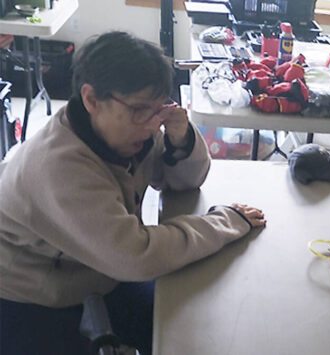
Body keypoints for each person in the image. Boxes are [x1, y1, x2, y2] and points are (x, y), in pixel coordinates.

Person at [0, 31, 266, 355]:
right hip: (33, 297)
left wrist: (180, 142)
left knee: (194, 318)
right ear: (92, 100)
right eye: (140, 110)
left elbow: (187, 182)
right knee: (182, 329)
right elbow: (136, 256)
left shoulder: (124, 129)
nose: (154, 124)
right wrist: (225, 222)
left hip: (94, 271)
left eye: (159, 110)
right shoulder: (58, 167)